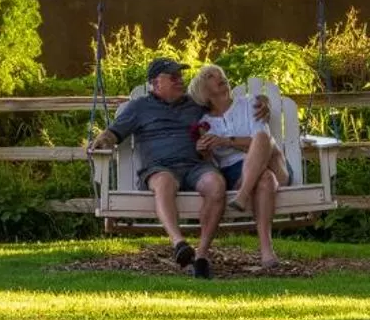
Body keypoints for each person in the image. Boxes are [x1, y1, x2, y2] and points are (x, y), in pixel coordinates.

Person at [87, 57, 226, 278]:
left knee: (216, 185)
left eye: (180, 75)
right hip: (160, 168)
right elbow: (113, 133)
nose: (179, 80)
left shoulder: (194, 104)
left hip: (194, 166)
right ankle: (179, 243)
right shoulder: (139, 107)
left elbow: (226, 105)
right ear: (155, 83)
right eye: (173, 76)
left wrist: (262, 104)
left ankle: (201, 255)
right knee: (164, 182)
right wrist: (101, 140)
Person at [188, 63, 288, 269]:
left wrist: (227, 141)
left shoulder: (251, 103)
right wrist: (204, 150)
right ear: (203, 92)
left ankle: (242, 195)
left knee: (262, 137)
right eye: (211, 76)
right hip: (237, 173)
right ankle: (267, 251)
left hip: (273, 164)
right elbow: (212, 165)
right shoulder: (205, 124)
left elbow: (260, 142)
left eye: (220, 73)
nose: (219, 77)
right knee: (266, 179)